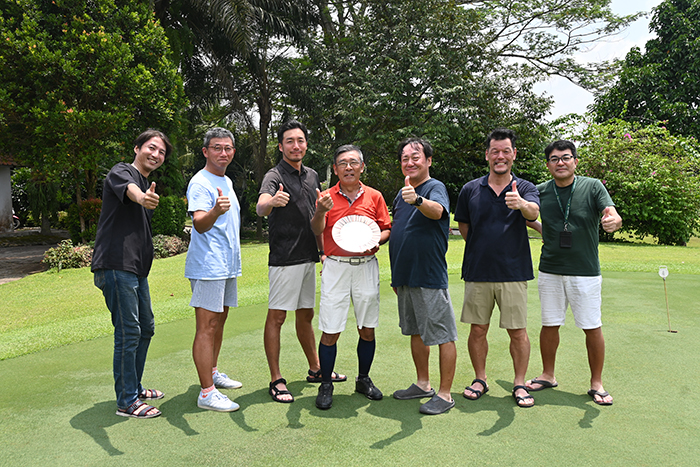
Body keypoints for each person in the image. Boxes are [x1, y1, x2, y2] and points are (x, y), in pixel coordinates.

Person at [525, 140, 622, 406]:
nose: (560, 162)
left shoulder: (592, 186)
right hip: (551, 269)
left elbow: (611, 213)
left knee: (591, 326)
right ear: (548, 165)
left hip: (585, 271)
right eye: (554, 159)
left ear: (575, 161)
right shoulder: (541, 191)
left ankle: (596, 383)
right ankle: (547, 374)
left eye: (566, 157)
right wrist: (544, 231)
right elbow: (527, 214)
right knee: (549, 324)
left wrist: (614, 220)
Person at [256, 120, 346, 403]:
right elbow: (260, 207)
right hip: (285, 259)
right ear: (281, 146)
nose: (296, 146)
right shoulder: (274, 175)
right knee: (278, 316)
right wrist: (272, 202)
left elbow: (315, 215)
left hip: (309, 256)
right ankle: (275, 378)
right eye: (290, 141)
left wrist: (322, 252)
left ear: (306, 144)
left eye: (300, 141)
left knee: (305, 315)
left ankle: (317, 368)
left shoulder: (311, 175)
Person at [454, 128, 540, 408]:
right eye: (495, 151)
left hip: (513, 272)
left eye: (506, 151)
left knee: (518, 331)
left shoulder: (525, 188)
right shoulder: (470, 189)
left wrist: (521, 205)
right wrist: (482, 247)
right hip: (478, 271)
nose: (500, 156)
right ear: (487, 155)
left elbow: (534, 213)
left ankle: (519, 383)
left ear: (514, 154)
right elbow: (464, 226)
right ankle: (480, 379)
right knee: (478, 330)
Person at [92, 129, 173, 419]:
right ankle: (126, 402)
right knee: (128, 333)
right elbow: (131, 191)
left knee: (146, 327)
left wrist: (145, 198)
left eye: (161, 152)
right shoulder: (122, 172)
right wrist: (141, 198)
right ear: (137, 147)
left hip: (136, 270)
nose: (156, 155)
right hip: (116, 265)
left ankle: (134, 387)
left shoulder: (146, 183)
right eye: (152, 148)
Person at [310, 145, 391, 410]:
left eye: (353, 162)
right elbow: (316, 229)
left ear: (362, 167)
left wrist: (374, 240)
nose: (348, 167)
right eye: (342, 163)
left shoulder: (375, 196)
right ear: (335, 169)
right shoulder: (326, 197)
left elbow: (385, 229)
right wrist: (321, 210)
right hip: (336, 266)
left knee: (367, 327)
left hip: (366, 264)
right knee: (330, 328)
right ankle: (326, 384)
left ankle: (363, 379)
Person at [389, 137, 458, 415]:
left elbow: (438, 212)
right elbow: (399, 231)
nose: (410, 162)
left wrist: (417, 200)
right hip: (405, 275)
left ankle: (445, 394)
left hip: (428, 275)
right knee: (415, 331)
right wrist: (396, 276)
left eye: (415, 157)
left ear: (428, 160)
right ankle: (422, 383)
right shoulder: (401, 192)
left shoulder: (434, 187)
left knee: (443, 335)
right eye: (405, 158)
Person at [185, 128, 243, 412]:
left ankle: (213, 372)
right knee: (206, 326)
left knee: (219, 322)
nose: (223, 153)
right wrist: (216, 212)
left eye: (228, 148)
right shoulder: (200, 182)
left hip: (226, 265)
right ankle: (206, 393)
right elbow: (199, 223)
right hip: (208, 266)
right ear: (205, 151)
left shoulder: (226, 180)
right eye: (217, 147)